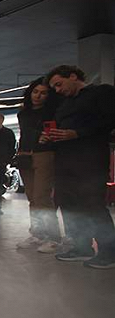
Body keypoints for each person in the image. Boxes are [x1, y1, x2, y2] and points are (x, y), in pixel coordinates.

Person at [43, 65, 115, 268]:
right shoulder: (64, 105)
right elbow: (60, 129)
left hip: (90, 159)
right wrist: (50, 137)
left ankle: (109, 252)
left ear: (73, 76)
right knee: (68, 204)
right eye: (54, 87)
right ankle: (81, 246)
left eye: (59, 84)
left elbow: (110, 121)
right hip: (65, 160)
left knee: (92, 204)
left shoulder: (101, 93)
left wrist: (78, 133)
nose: (58, 90)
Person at [15, 78, 63, 253]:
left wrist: (44, 137)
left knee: (42, 196)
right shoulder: (23, 113)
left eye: (43, 93)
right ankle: (38, 233)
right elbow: (25, 134)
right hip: (25, 155)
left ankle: (53, 237)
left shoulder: (52, 112)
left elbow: (53, 133)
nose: (38, 96)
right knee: (32, 198)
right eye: (35, 92)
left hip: (44, 154)